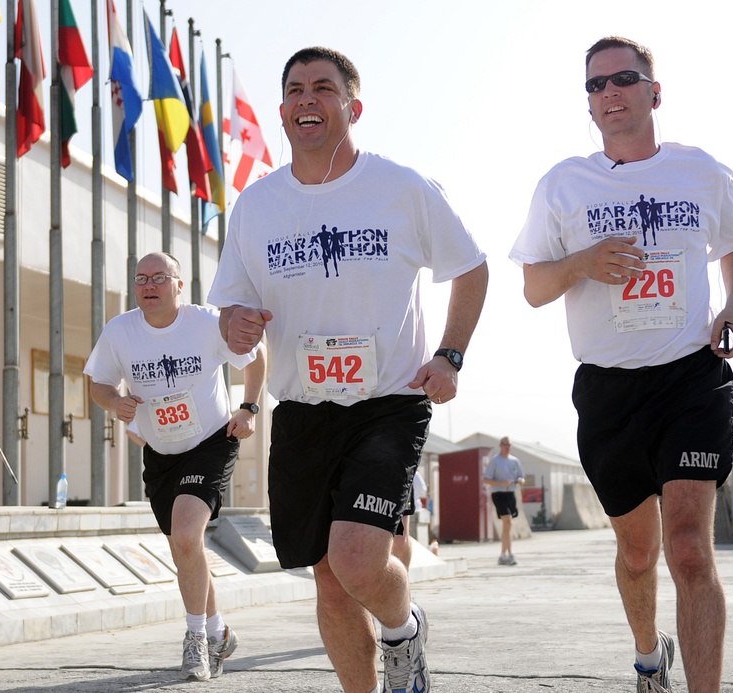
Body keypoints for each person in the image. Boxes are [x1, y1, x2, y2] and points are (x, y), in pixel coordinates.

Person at [208, 46, 488, 693]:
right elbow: (230, 304)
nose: (309, 98)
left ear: (352, 106)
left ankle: (403, 629)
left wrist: (449, 354)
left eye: (324, 88)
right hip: (303, 410)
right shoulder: (257, 206)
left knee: (358, 560)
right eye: (297, 89)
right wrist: (236, 324)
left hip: (386, 402)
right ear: (281, 112)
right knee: (329, 581)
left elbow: (470, 268)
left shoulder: (401, 188)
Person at [510, 36, 733, 693]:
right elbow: (533, 287)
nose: (609, 92)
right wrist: (582, 263)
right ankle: (650, 653)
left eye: (623, 78)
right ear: (588, 104)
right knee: (639, 552)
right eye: (595, 85)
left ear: (654, 91)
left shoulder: (702, 172)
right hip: (608, 391)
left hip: (690, 377)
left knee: (689, 547)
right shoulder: (563, 183)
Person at [84, 252, 267, 682]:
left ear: (179, 286)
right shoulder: (121, 331)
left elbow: (256, 354)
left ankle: (196, 642)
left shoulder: (206, 323)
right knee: (186, 549)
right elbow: (98, 383)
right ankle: (220, 632)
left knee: (187, 534)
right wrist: (116, 402)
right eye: (141, 278)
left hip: (210, 443)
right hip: (160, 452)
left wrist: (250, 408)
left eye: (160, 278)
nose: (149, 285)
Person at [483, 437, 525, 566]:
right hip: (498, 494)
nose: (507, 446)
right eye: (505, 444)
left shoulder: (514, 461)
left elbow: (521, 476)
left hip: (510, 493)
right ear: (500, 445)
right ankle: (510, 554)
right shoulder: (495, 461)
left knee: (508, 525)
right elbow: (486, 479)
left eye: (509, 444)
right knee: (508, 520)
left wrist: (521, 480)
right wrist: (501, 483)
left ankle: (503, 554)